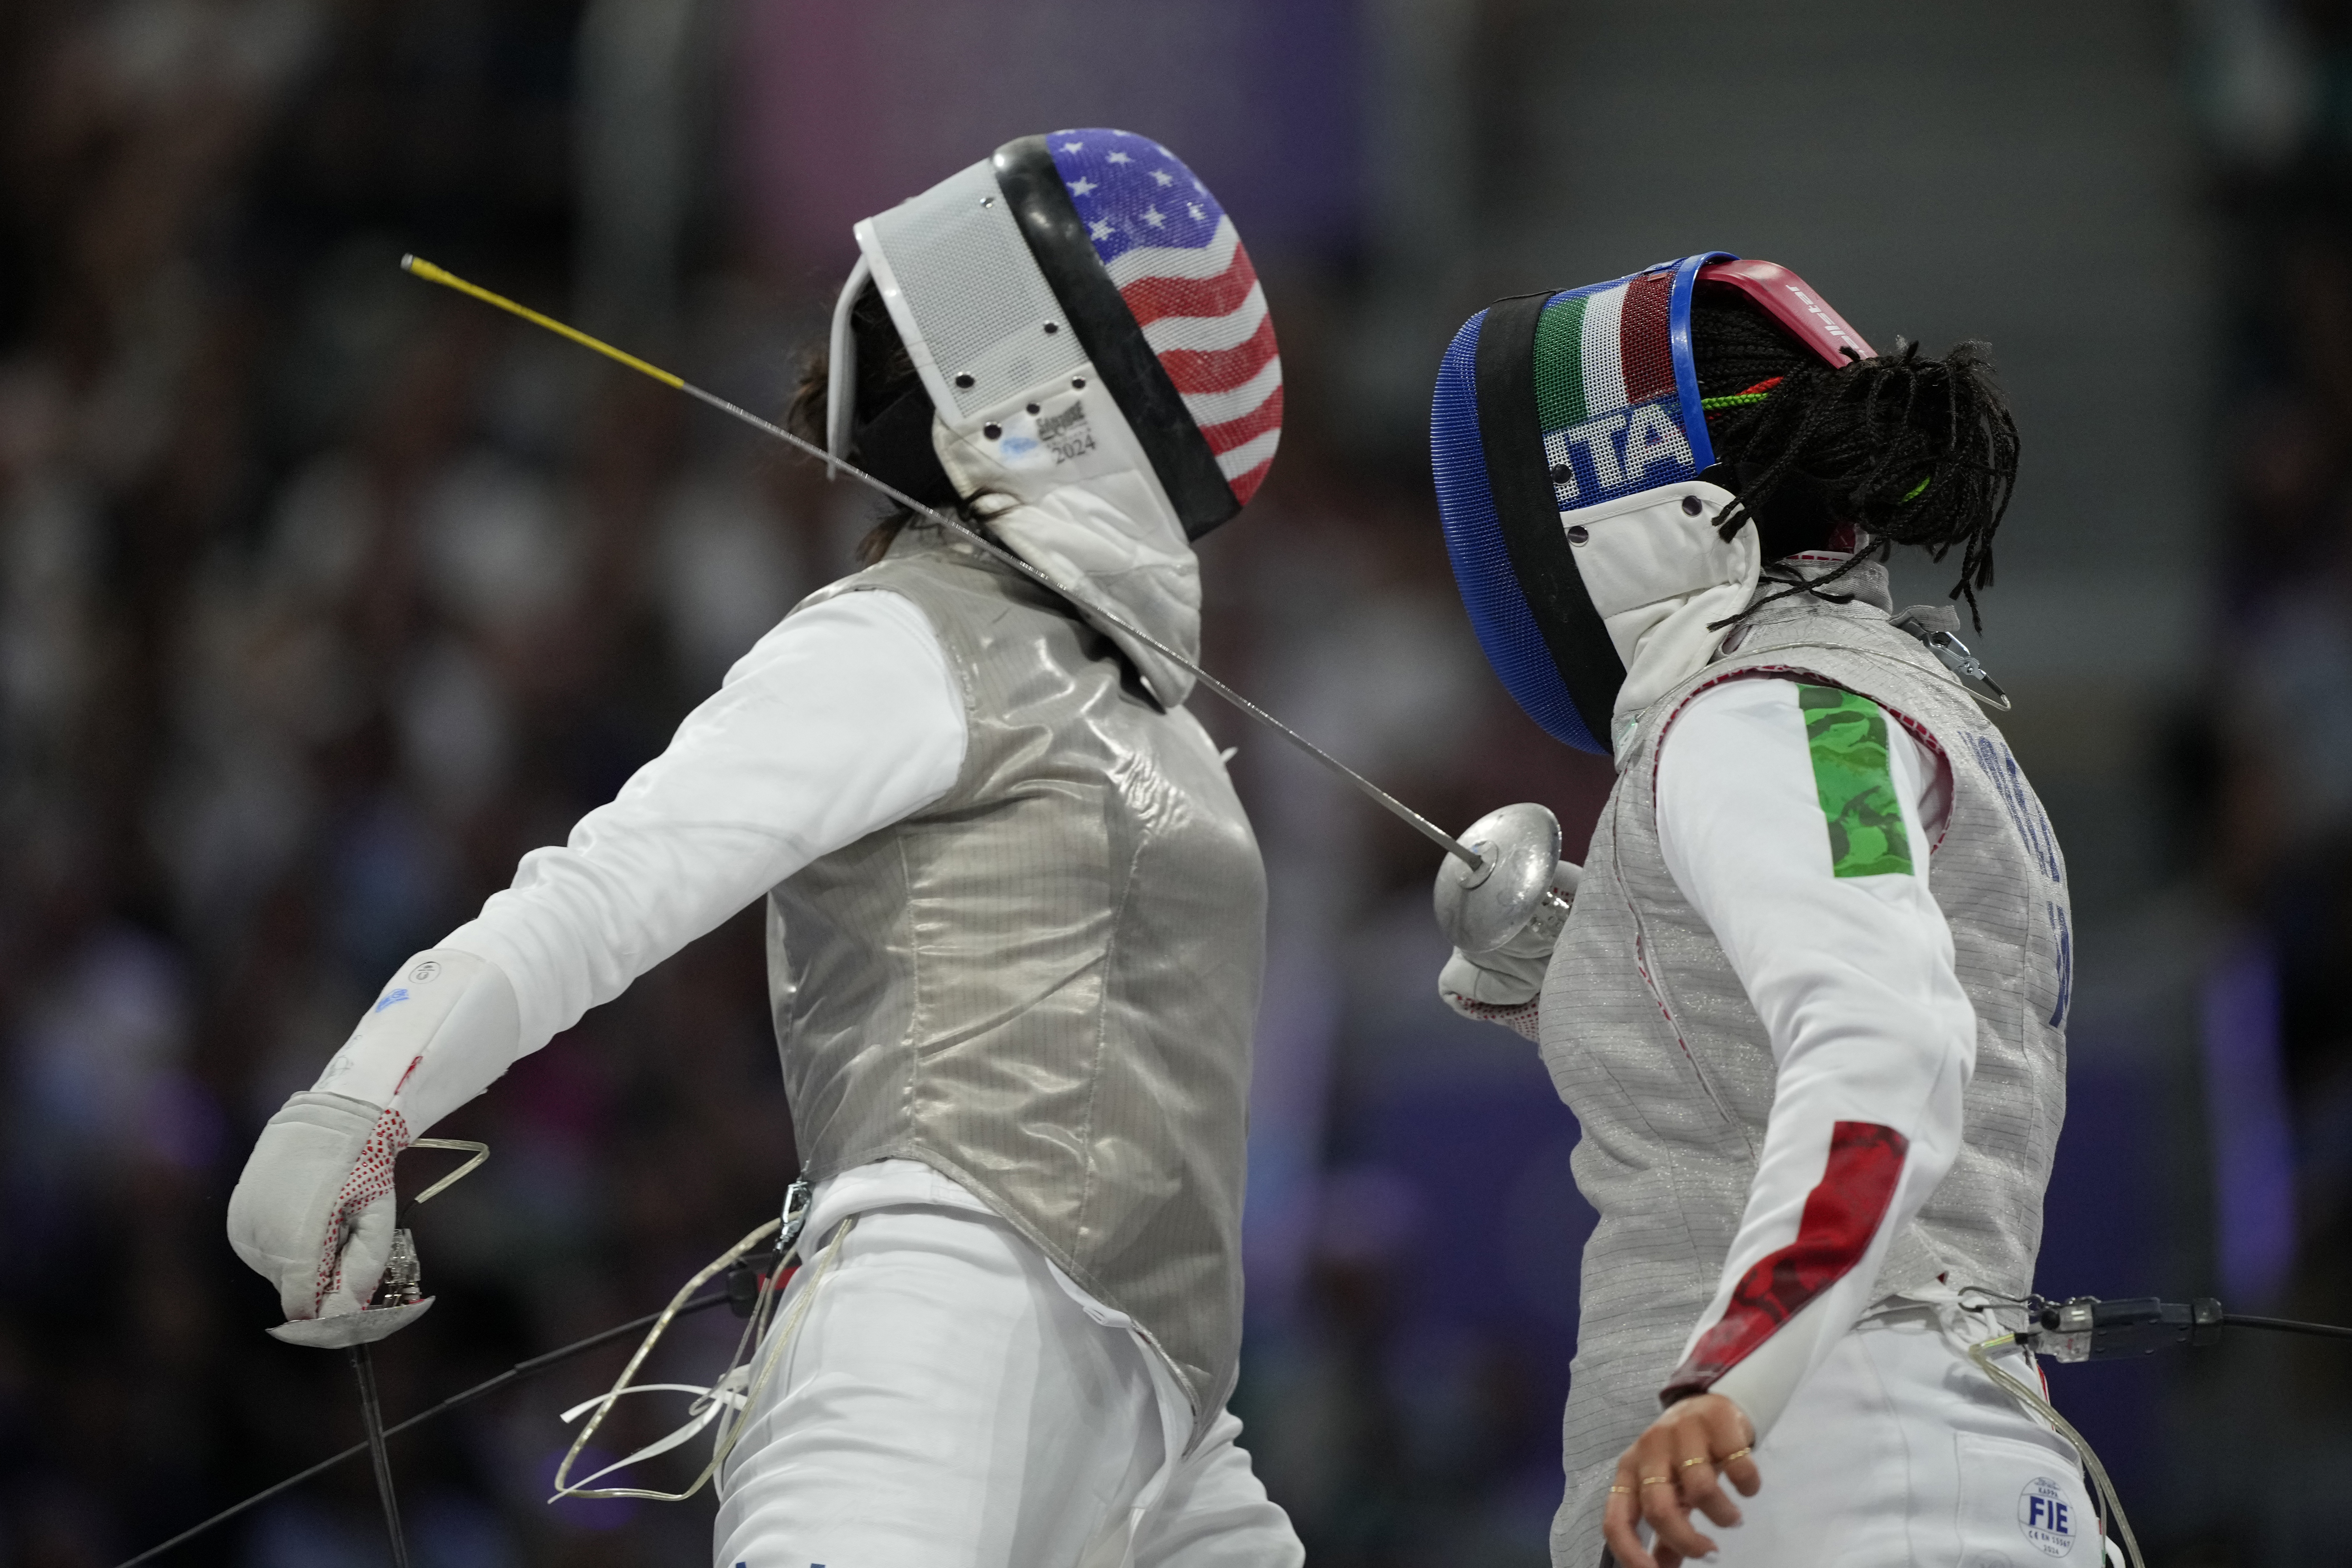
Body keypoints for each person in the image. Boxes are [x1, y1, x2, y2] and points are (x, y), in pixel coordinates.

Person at [225, 127, 1303, 1568]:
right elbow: (614, 883)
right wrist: (358, 1103)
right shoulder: (914, 627)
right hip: (940, 1320)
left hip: (1169, 1422)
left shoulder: (1165, 728)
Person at [1426, 255, 2083, 1568]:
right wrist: (1594, 953)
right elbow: (1804, 1018)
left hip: (1795, 1469)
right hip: (1937, 1454)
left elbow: (1883, 1033)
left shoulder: (1768, 710)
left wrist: (1739, 1368)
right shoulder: (1866, 692)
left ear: (1618, 505)